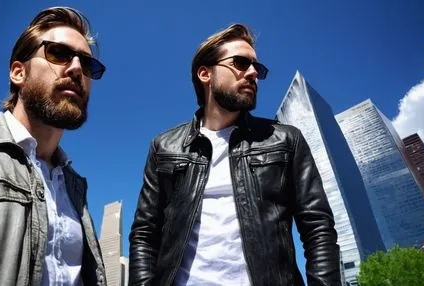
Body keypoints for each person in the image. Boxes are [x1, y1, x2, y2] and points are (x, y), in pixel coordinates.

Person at [129, 23, 340, 285]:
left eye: (257, 68)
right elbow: (144, 234)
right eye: (240, 63)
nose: (252, 73)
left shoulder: (286, 139)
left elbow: (318, 229)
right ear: (205, 74)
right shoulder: (164, 146)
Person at [0, 7, 107, 285]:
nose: (75, 69)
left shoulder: (74, 186)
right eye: (58, 53)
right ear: (18, 72)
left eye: (87, 64)